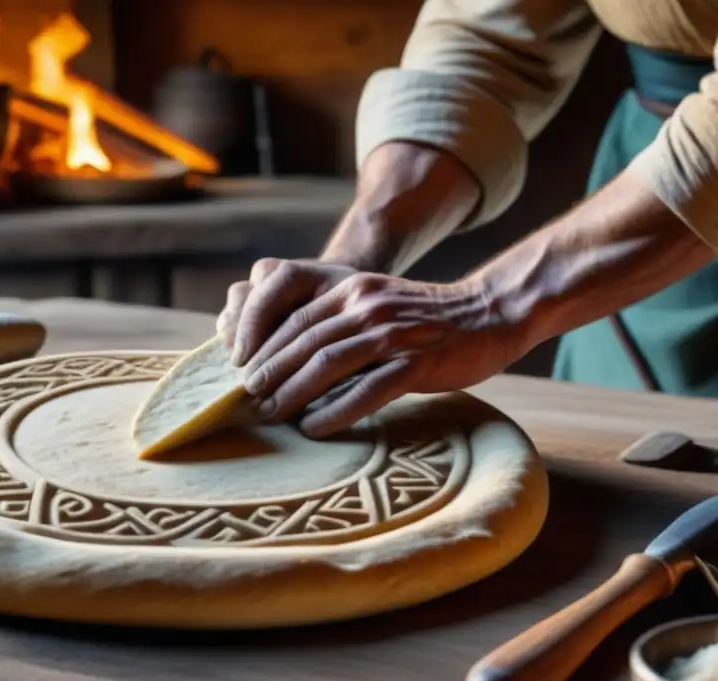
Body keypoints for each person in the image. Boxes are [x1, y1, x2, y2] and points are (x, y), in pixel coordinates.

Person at [217, 1, 718, 439]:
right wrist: (354, 255)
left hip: (678, 201)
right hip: (645, 192)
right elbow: (489, 36)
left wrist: (488, 306)